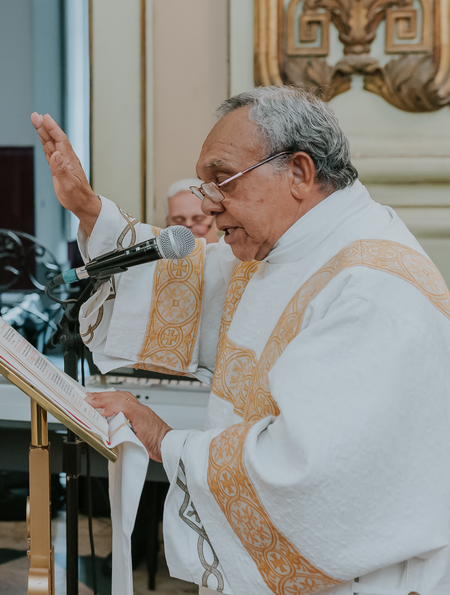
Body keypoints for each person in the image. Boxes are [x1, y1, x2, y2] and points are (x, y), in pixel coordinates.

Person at [32, 86, 450, 595]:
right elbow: (191, 281)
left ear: (298, 173)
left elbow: (311, 471)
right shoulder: (293, 249)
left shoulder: (371, 289)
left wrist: (166, 442)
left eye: (220, 181)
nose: (207, 207)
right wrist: (90, 209)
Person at [165, 177, 220, 243]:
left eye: (198, 219)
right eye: (178, 221)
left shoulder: (231, 252)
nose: (188, 230)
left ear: (217, 220)